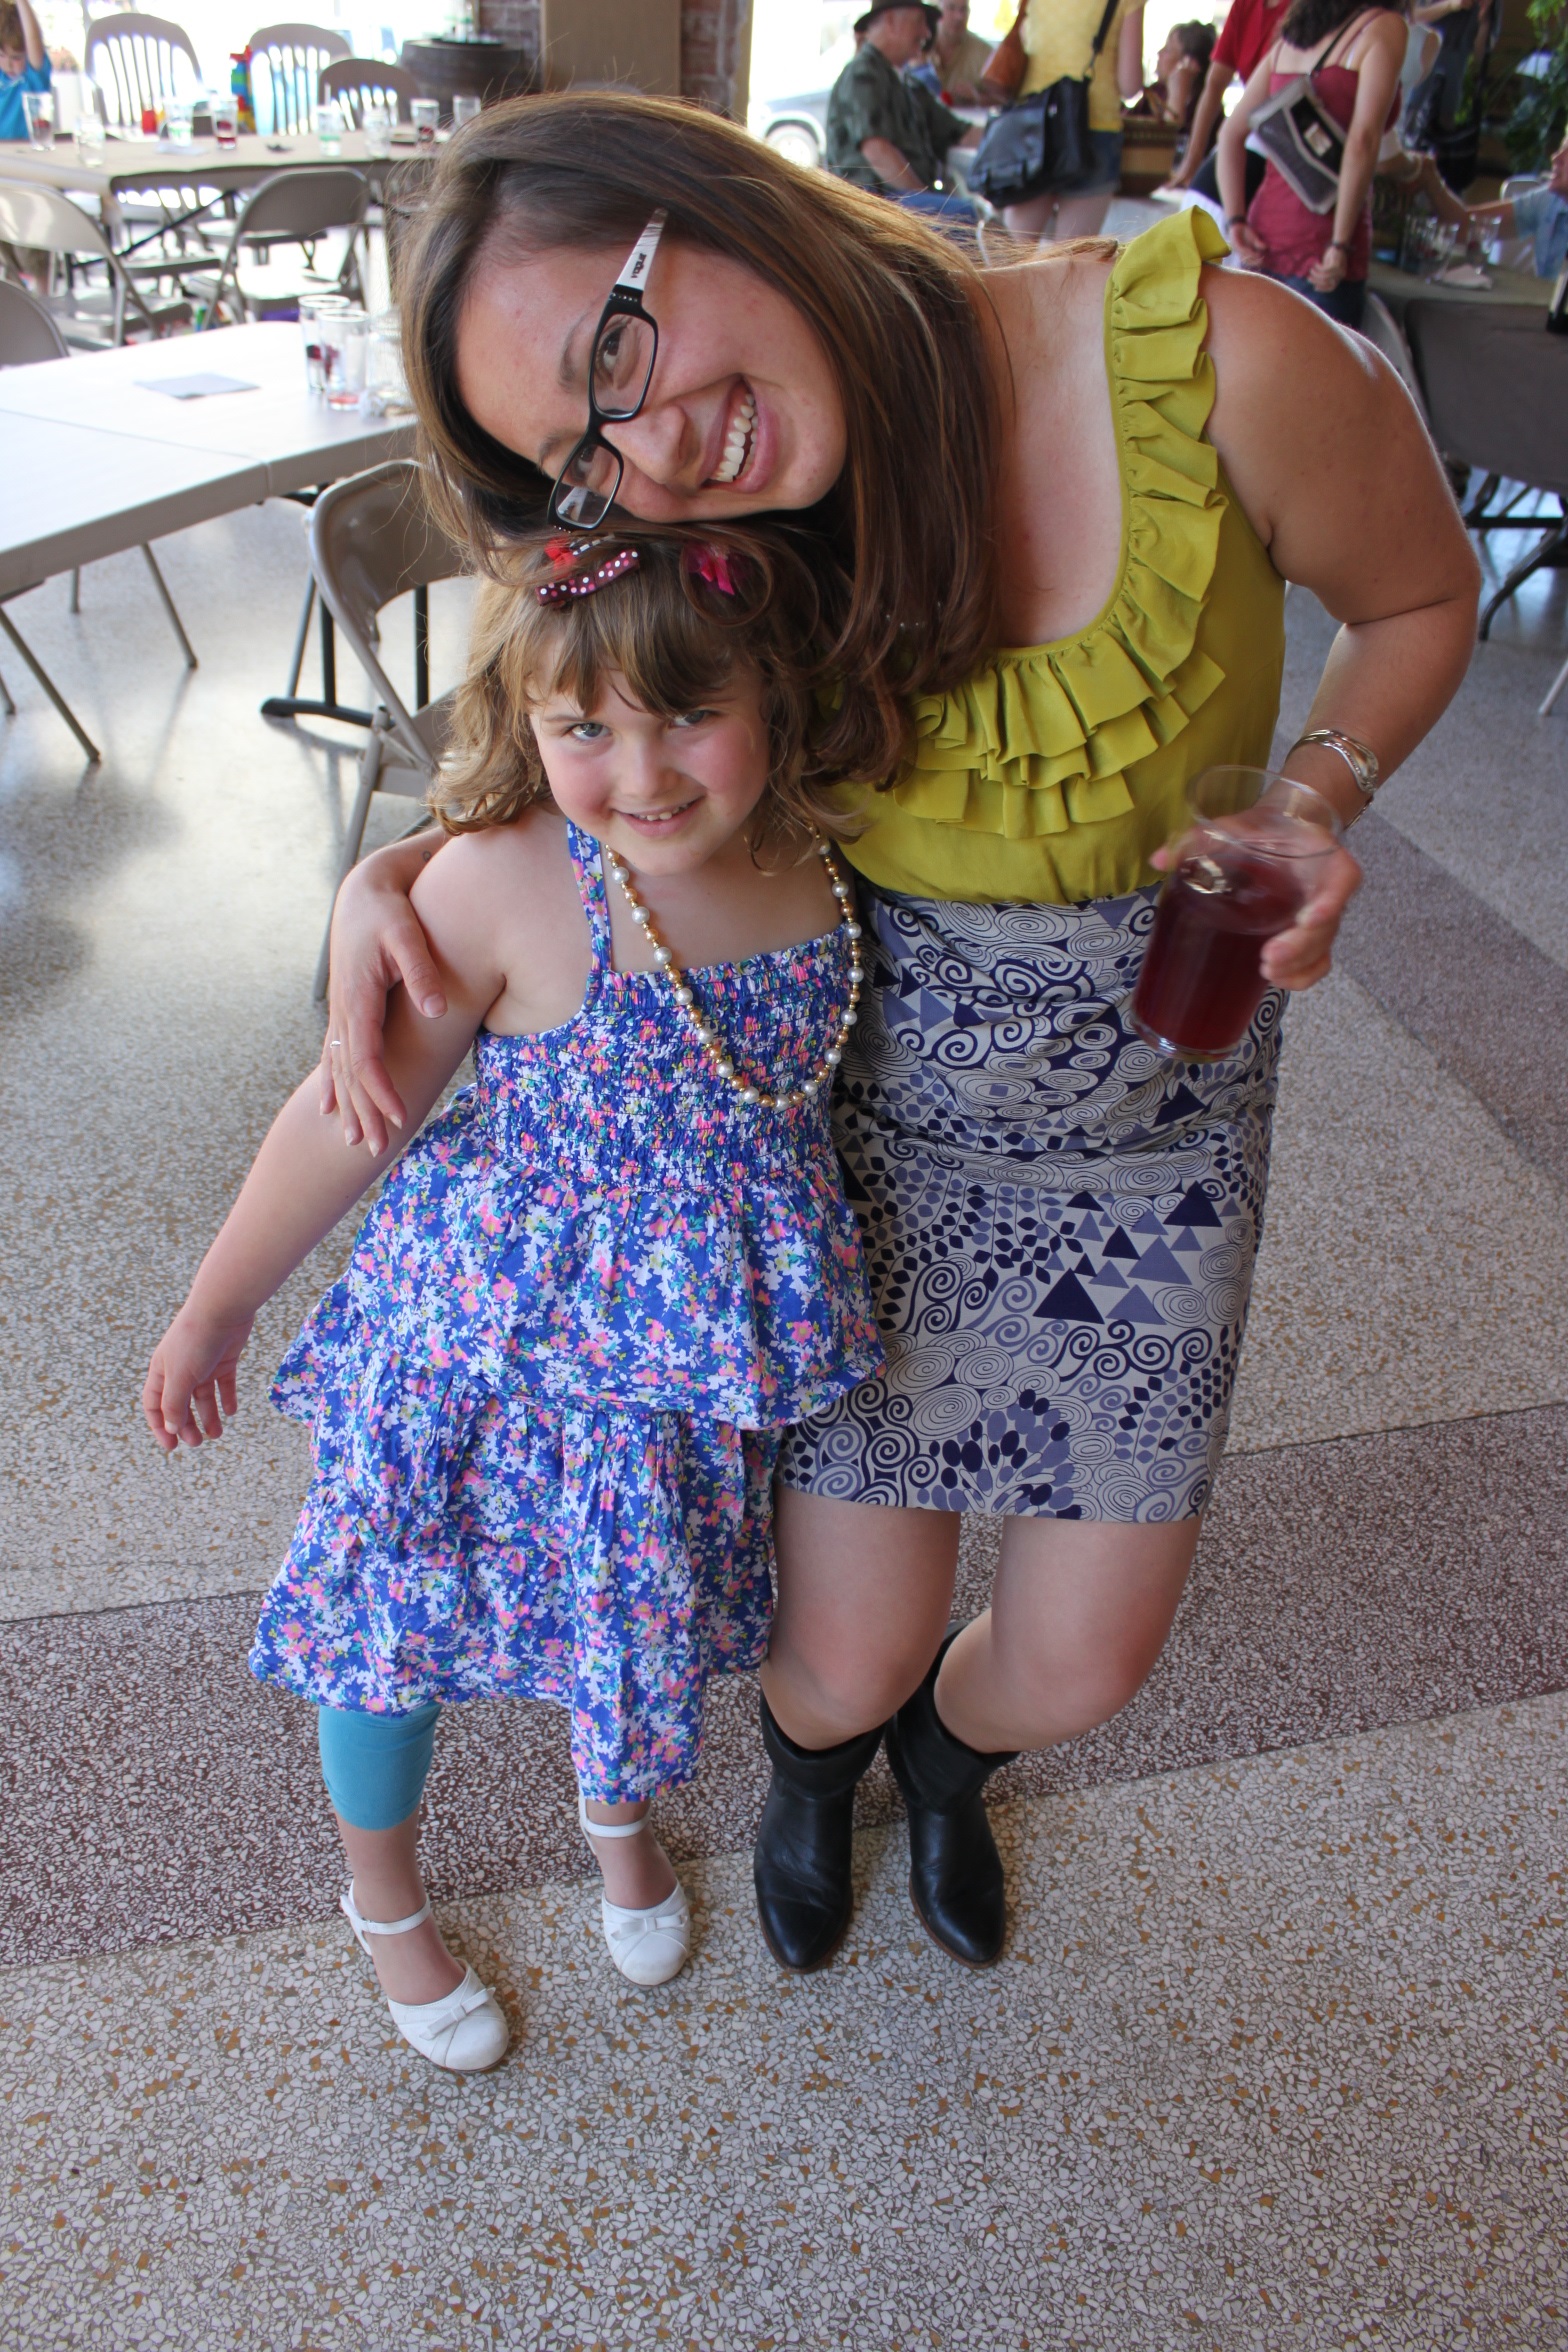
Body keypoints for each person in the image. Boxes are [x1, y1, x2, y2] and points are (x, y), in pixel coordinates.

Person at [321, 95, 1478, 1983]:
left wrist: (1313, 796)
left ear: (712, 202)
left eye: (615, 352)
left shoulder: (1225, 362)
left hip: (1155, 1143)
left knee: (1080, 1662)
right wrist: (402, 866)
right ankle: (818, 1768)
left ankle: (946, 1763)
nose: (655, 452)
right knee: (835, 1651)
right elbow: (576, 726)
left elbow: (1419, 598)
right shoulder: (733, 533)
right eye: (587, 457)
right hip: (849, 1149)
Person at [141, 527, 884, 2067]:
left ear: (778, 688)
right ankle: (383, 1897)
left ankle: (616, 1820)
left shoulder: (828, 848)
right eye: (583, 728)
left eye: (691, 712)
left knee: (628, 1592)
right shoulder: (501, 884)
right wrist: (217, 1306)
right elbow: (348, 1117)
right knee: (393, 1617)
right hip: (476, 1348)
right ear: (525, 719)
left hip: (672, 1366)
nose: (643, 773)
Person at [1219, 0, 1408, 328]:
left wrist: (1236, 219)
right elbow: (1362, 142)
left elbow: (1229, 135)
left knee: (1258, 356)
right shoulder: (1382, 27)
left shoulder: (1290, 40)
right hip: (1325, 247)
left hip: (1263, 236)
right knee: (1318, 361)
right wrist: (1340, 243)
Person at [1001, 0, 1148, 242]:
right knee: (1071, 258)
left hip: (1034, 125)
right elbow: (1130, 84)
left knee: (1012, 253)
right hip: (1093, 129)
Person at [826, 0, 982, 224]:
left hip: (897, 204)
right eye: (919, 22)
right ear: (891, 22)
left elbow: (960, 132)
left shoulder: (909, 85)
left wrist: (1011, 135)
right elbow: (877, 151)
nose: (927, 33)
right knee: (960, 216)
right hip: (869, 208)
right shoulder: (862, 75)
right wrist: (927, 212)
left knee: (973, 214)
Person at [1158, 0, 1290, 213]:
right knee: (1199, 200)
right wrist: (1192, 162)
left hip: (1283, 130)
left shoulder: (1300, 8)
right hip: (1250, 126)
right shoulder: (1245, 5)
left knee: (1210, 204)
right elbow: (1215, 85)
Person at [1420, 130, 1568, 279]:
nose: (1556, 158)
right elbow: (1465, 226)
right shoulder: (1549, 200)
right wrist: (1431, 180)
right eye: (1561, 148)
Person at [910, 0, 998, 104]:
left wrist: (978, 97)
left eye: (963, 10)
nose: (959, 17)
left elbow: (1004, 101)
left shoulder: (984, 52)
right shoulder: (917, 45)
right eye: (951, 8)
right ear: (937, 9)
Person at [1145, 17, 1217, 138]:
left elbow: (1170, 142)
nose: (1159, 53)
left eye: (1168, 49)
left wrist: (1177, 97)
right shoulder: (1155, 93)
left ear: (1189, 64)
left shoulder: (1206, 110)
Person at [0, 0, 48, 144]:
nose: (8, 64)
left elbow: (33, 39)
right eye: (1, 55)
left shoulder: (32, 77)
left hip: (28, 151)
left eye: (16, 57)